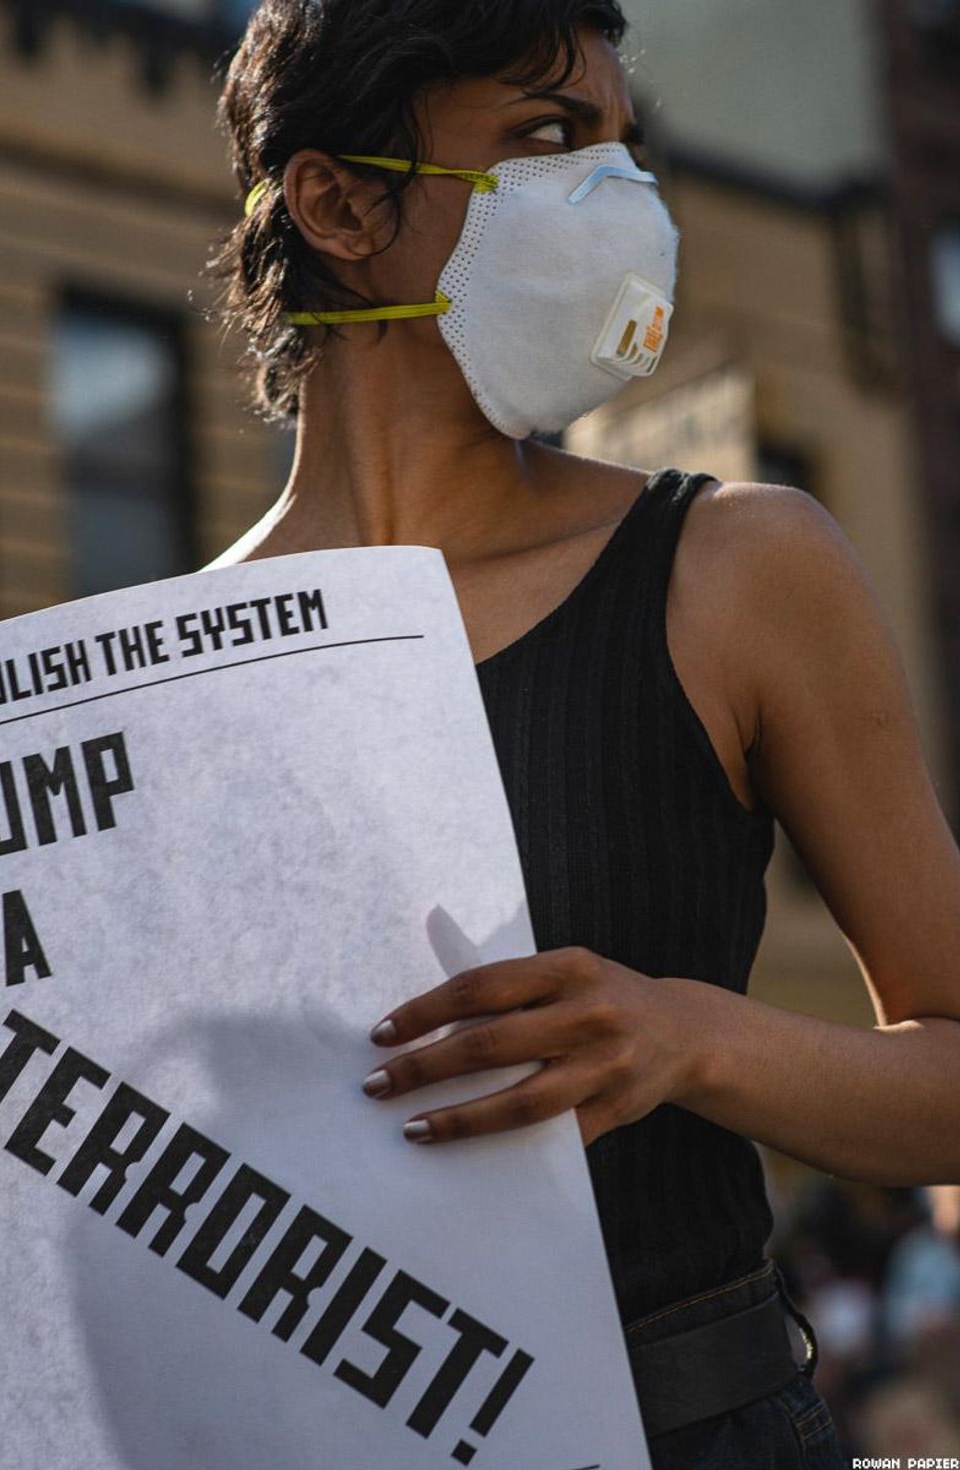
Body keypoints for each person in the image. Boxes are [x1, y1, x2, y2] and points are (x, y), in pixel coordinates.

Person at [204, 1, 960, 1464]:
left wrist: (694, 1038)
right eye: (550, 138)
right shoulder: (163, 683)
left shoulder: (740, 568)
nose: (622, 198)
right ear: (341, 203)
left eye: (627, 146)